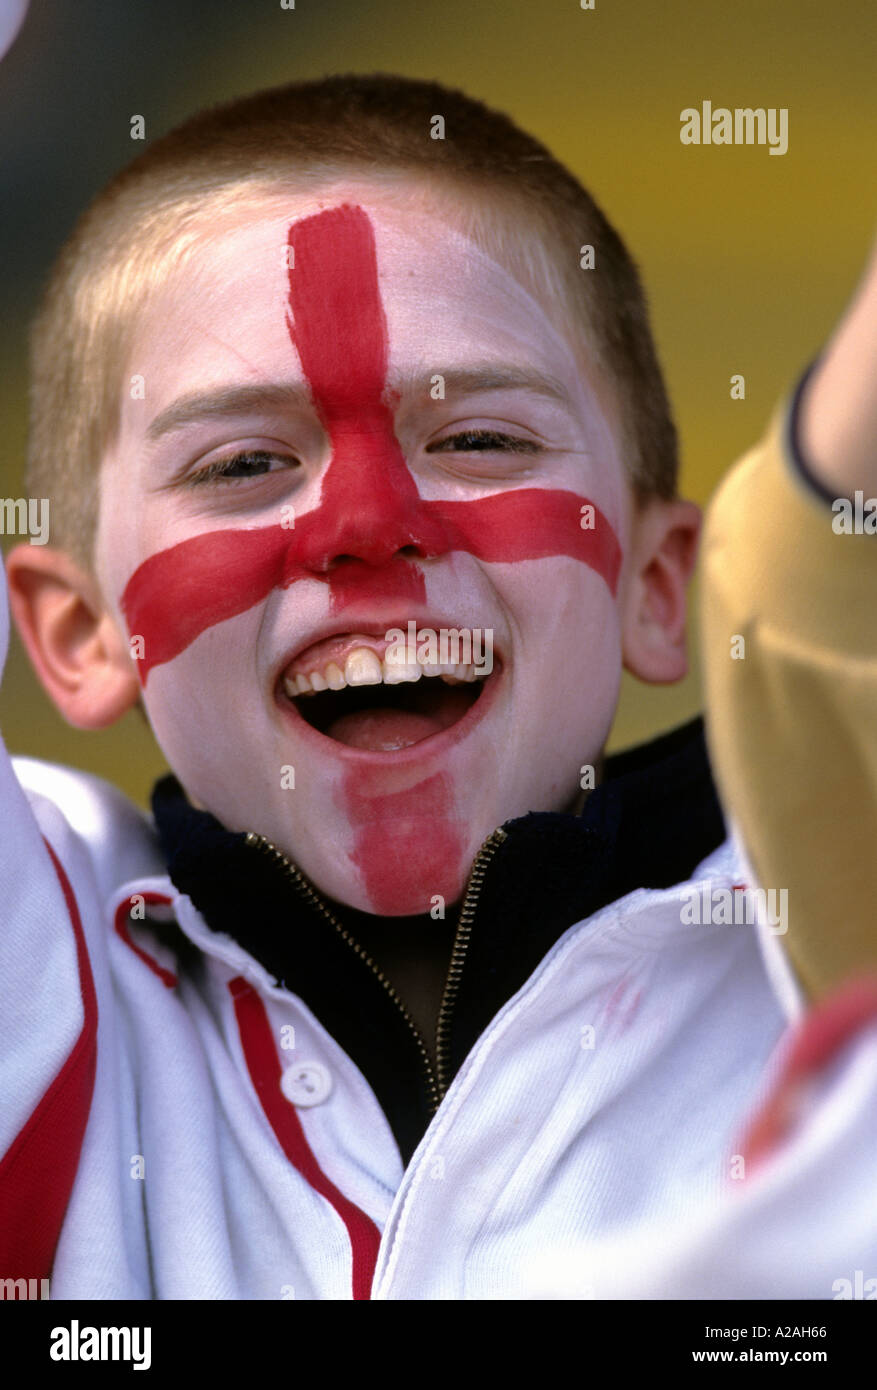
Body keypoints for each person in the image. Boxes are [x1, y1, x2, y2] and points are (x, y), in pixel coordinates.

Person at [0, 73, 856, 1300]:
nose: (366, 526)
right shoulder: (46, 960)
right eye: (242, 462)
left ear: (662, 586)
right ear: (80, 634)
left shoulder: (819, 937)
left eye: (478, 440)